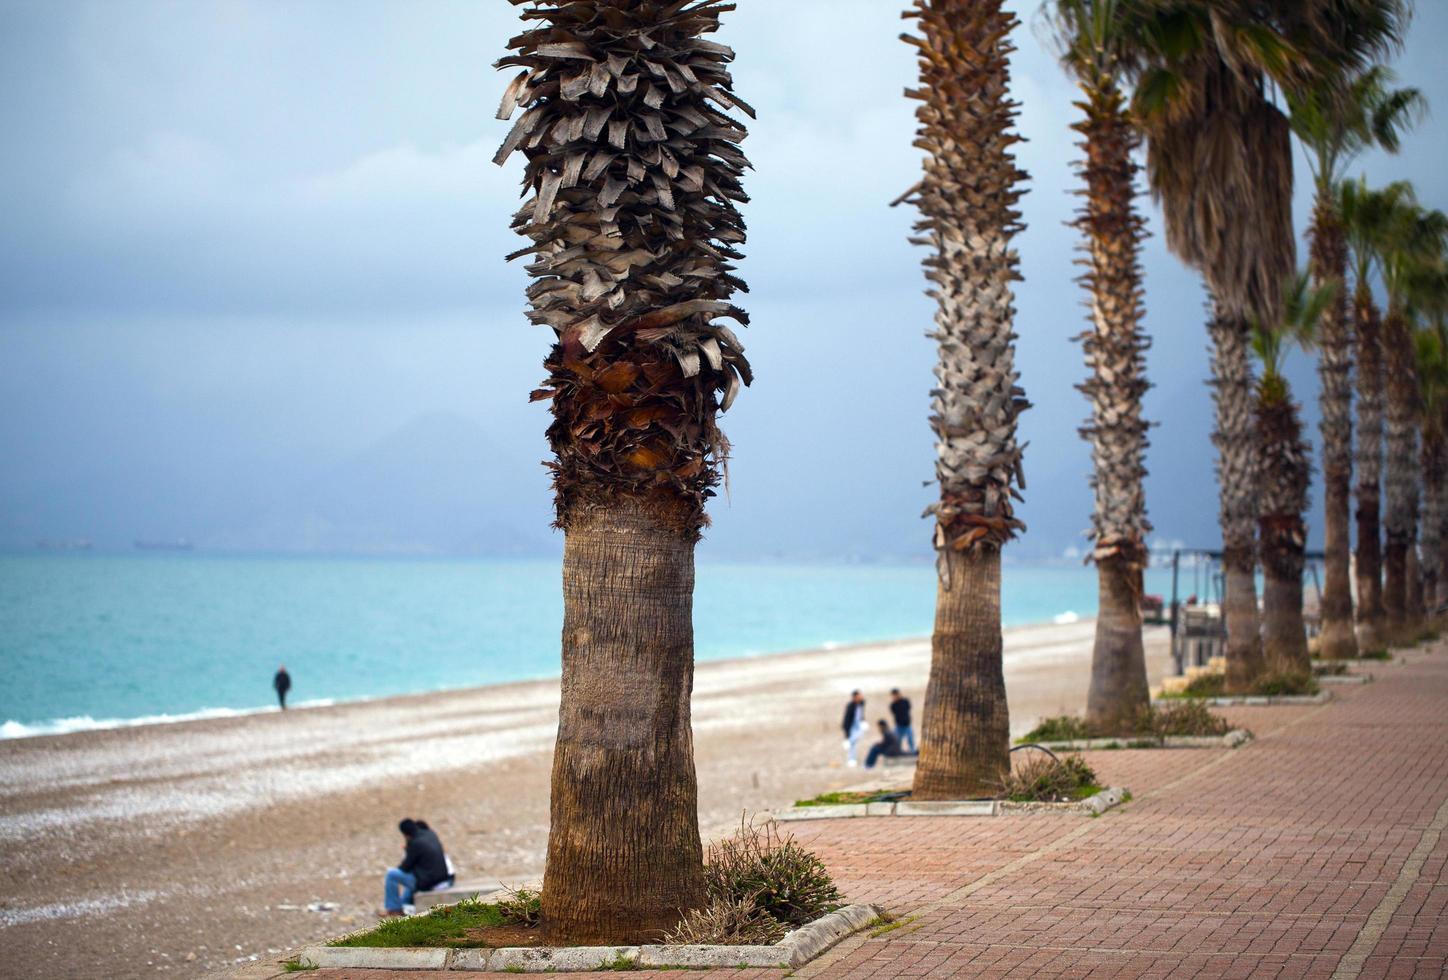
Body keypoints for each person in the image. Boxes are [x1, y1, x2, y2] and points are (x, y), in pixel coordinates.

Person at [382, 818, 453, 916]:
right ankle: (404, 904)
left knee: (391, 874)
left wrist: (407, 849)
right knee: (413, 874)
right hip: (442, 878)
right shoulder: (430, 834)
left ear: (405, 834)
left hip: (427, 883)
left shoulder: (415, 843)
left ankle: (394, 908)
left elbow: (405, 867)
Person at [841, 690, 866, 767]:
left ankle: (848, 743)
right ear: (854, 697)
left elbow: (863, 702)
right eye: (859, 696)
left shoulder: (861, 703)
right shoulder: (850, 706)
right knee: (853, 745)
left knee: (857, 739)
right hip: (852, 725)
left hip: (859, 724)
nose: (861, 697)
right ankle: (852, 760)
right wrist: (846, 733)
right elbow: (846, 720)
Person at [889, 688, 915, 752]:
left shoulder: (905, 701)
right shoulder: (893, 705)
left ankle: (912, 751)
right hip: (899, 725)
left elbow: (908, 708)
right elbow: (894, 712)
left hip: (907, 724)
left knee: (910, 739)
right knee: (898, 740)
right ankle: (898, 752)